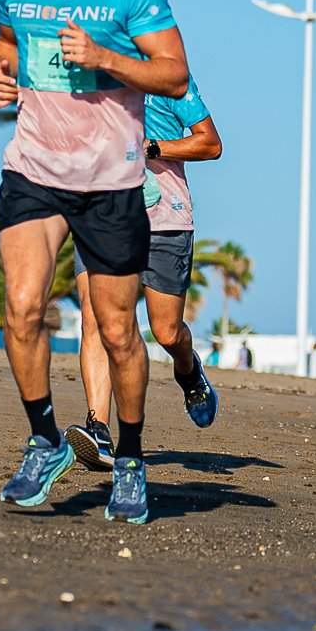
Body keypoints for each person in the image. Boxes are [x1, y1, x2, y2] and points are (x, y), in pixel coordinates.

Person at [0, 0, 189, 525]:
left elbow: (175, 76)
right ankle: (45, 441)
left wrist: (105, 56)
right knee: (20, 307)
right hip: (35, 167)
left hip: (109, 180)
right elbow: (7, 42)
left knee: (117, 331)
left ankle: (129, 455)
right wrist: (0, 75)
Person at [66, 76, 223, 470]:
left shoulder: (173, 82)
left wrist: (151, 148)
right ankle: (98, 429)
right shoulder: (85, 78)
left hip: (165, 219)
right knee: (96, 320)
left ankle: (189, 372)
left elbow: (210, 143)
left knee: (166, 331)